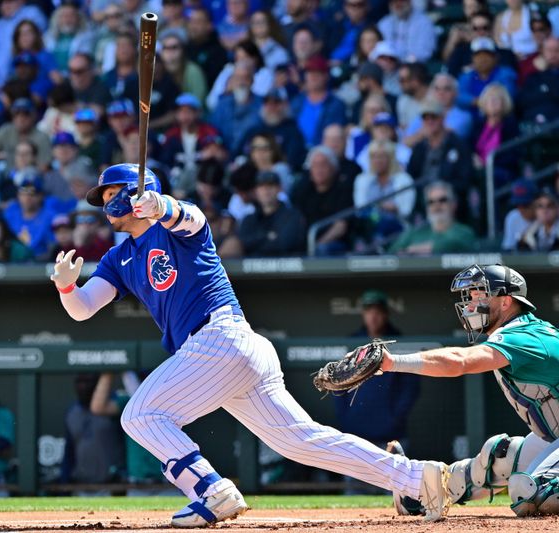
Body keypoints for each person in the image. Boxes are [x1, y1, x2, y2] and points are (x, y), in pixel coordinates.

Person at [50, 163, 451, 526]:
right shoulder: (118, 257)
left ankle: (211, 490)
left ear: (135, 191)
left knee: (139, 415)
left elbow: (191, 217)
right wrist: (66, 285)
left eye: (110, 195)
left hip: (219, 337)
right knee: (301, 441)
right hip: (227, 351)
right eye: (102, 199)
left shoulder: (175, 225)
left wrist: (158, 204)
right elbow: (83, 309)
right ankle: (417, 478)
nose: (106, 205)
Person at [377, 264, 559, 518]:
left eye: (480, 295)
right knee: (499, 455)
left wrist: (392, 363)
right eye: (471, 297)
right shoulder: (517, 331)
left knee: (532, 492)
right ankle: (416, 494)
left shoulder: (523, 335)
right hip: (554, 438)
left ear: (506, 302)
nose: (471, 305)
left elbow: (459, 362)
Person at [334, 290, 420, 495]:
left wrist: (394, 418)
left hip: (390, 435)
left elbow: (411, 388)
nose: (373, 316)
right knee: (354, 495)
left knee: (396, 495)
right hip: (356, 436)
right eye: (368, 311)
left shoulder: (399, 342)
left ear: (386, 314)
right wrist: (347, 420)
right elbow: (339, 387)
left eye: (378, 311)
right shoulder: (353, 342)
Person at [388, 181, 477, 255]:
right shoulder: (414, 233)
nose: (436, 205)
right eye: (431, 202)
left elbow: (453, 244)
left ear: (453, 204)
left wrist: (413, 250)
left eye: (442, 200)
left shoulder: (464, 232)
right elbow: (392, 252)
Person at [238, 170, 307, 256]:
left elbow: (284, 244)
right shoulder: (248, 219)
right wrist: (268, 236)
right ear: (256, 191)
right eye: (262, 186)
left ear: (279, 189)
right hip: (251, 268)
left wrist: (256, 241)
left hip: (288, 267)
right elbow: (242, 244)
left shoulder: (293, 216)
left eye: (271, 185)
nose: (266, 190)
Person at [501, 178, 537, 251]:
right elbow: (508, 250)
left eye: (525, 205)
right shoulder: (513, 217)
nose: (521, 210)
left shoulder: (547, 215)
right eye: (518, 205)